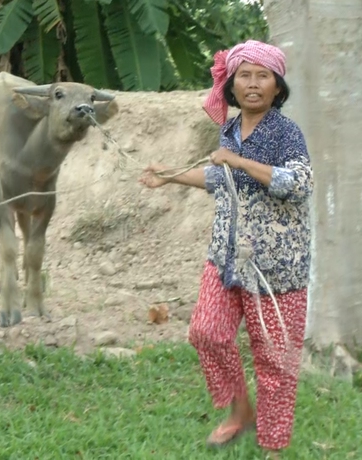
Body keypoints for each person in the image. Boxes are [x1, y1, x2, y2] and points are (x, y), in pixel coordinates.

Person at [139, 39, 313, 459]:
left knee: (274, 361)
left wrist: (240, 163)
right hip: (226, 256)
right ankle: (241, 410)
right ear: (232, 86)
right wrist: (172, 176)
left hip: (277, 267)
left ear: (277, 86)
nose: (253, 85)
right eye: (244, 76)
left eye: (263, 76)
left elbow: (298, 184)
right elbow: (220, 181)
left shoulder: (287, 133)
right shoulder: (231, 130)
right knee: (206, 332)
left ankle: (273, 447)